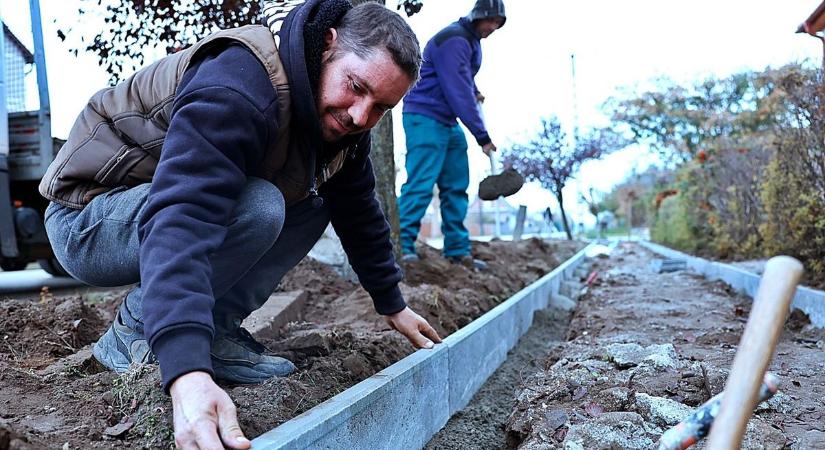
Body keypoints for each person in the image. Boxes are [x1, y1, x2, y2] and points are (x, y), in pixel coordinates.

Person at [39, 1, 441, 448]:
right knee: (261, 204)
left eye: (381, 107)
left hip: (152, 212)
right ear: (328, 45)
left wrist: (393, 304)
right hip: (87, 218)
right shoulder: (240, 85)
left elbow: (359, 210)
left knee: (312, 202)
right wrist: (186, 371)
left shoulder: (340, 125)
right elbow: (184, 218)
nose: (360, 116)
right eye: (356, 87)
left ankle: (217, 327)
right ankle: (136, 334)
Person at [397, 0, 506, 269]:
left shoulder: (469, 40)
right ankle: (400, 246)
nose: (493, 27)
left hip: (446, 119)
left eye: (498, 22)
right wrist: (482, 135)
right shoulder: (454, 39)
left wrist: (475, 88)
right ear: (479, 16)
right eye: (491, 20)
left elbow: (462, 76)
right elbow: (457, 89)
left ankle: (457, 250)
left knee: (456, 185)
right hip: (424, 115)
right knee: (422, 183)